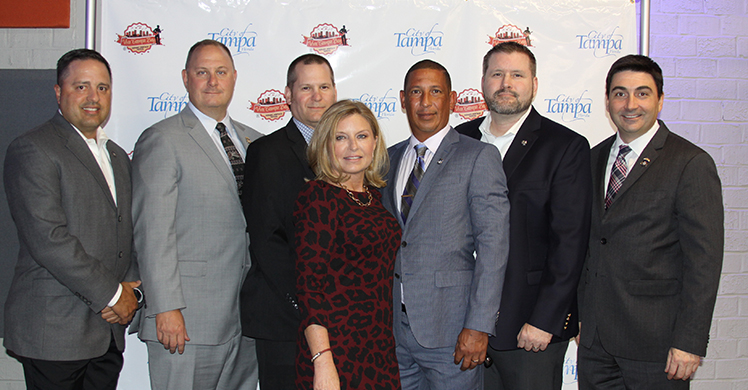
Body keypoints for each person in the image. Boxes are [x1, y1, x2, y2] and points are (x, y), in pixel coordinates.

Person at [577, 54, 724, 389]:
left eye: (642, 93)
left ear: (660, 100)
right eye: (619, 93)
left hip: (657, 345)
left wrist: (690, 340)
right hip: (595, 343)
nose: (630, 104)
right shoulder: (591, 158)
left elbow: (704, 262)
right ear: (607, 101)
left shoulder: (690, 163)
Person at [456, 42, 591, 389]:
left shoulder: (564, 146)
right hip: (463, 325)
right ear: (483, 81)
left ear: (534, 83)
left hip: (528, 328)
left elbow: (570, 242)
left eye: (517, 75)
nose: (506, 83)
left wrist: (546, 320)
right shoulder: (459, 140)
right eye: (497, 73)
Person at [3, 48, 140, 390]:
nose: (93, 97)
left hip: (107, 334)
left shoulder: (118, 157)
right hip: (56, 335)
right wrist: (113, 295)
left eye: (103, 88)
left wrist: (134, 293)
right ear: (58, 92)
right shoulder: (34, 148)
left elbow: (129, 231)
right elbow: (48, 239)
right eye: (81, 86)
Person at [131, 39, 262, 390]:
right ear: (186, 78)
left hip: (245, 321)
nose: (212, 81)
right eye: (202, 72)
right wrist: (165, 308)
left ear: (234, 78)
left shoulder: (256, 142)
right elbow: (152, 233)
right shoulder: (162, 139)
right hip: (186, 322)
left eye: (220, 72)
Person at [381, 59, 510, 390]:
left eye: (435, 92)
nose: (425, 102)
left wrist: (479, 326)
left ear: (452, 100)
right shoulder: (388, 160)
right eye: (416, 92)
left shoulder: (478, 157)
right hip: (395, 333)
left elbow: (494, 246)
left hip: (453, 334)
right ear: (402, 99)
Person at [240, 53, 337, 389]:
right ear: (288, 95)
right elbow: (266, 240)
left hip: (336, 317)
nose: (317, 96)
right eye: (306, 87)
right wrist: (308, 304)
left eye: (324, 86)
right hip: (285, 318)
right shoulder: (267, 152)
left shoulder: (348, 153)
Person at [293, 100, 401, 389]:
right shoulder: (319, 197)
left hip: (378, 351)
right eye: (341, 137)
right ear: (327, 145)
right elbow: (309, 288)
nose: (353, 147)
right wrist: (323, 361)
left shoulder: (374, 198)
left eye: (361, 136)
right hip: (336, 351)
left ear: (375, 142)